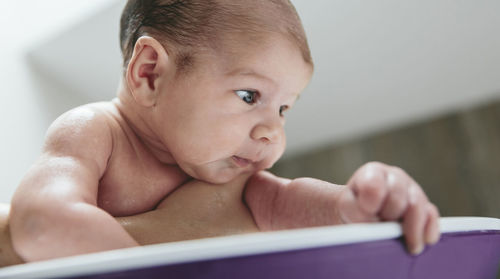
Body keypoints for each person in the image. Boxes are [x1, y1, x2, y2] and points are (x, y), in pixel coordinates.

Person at [8, 0, 440, 263]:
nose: (273, 130)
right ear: (150, 73)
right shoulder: (96, 132)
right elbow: (41, 222)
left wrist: (360, 203)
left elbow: (290, 203)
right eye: (250, 95)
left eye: (285, 107)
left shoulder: (229, 173)